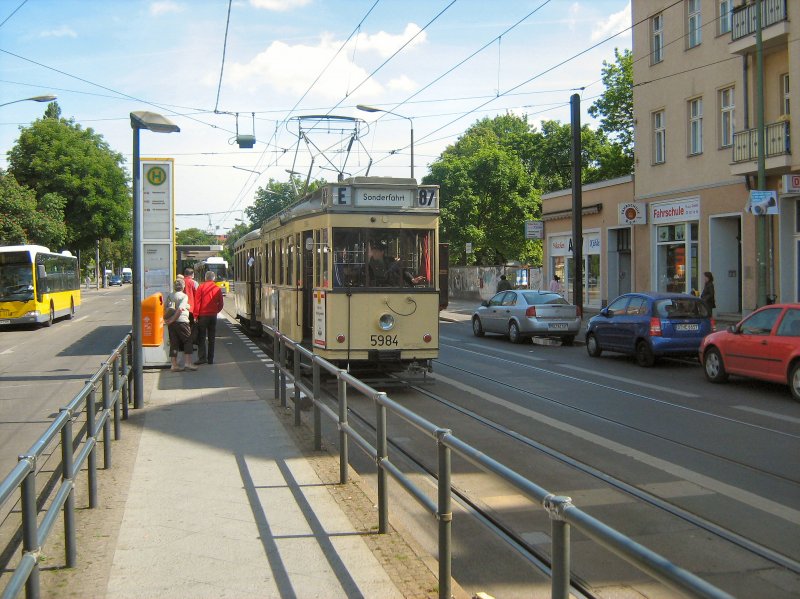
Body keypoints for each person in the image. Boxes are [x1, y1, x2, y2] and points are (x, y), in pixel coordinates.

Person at [164, 278, 198, 372]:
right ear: (183, 286)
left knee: (174, 343)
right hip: (182, 321)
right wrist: (173, 319)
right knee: (188, 341)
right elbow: (180, 309)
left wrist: (170, 320)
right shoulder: (184, 296)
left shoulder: (170, 295)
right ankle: (188, 363)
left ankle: (174, 365)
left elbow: (166, 308)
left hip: (172, 324)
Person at [193, 271, 224, 364]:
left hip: (202, 316)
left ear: (205, 278)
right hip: (213, 316)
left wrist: (195, 315)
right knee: (212, 337)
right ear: (213, 278)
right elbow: (221, 303)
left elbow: (197, 302)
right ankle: (210, 359)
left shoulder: (201, 287)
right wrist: (216, 311)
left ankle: (202, 358)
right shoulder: (217, 288)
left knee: (202, 337)